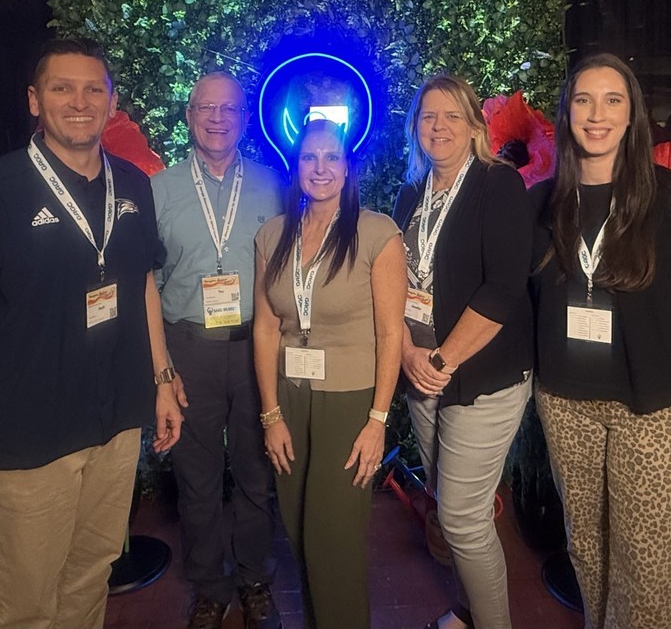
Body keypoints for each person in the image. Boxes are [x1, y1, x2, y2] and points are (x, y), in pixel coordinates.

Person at [0, 37, 182, 629]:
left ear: (113, 103)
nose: (79, 101)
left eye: (94, 89)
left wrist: (162, 379)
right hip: (26, 437)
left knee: (92, 573)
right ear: (34, 101)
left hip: (115, 421)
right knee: (30, 604)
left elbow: (141, 283)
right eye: (62, 88)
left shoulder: (133, 186)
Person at [529, 53, 671, 629]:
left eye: (612, 100)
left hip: (655, 407)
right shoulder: (544, 204)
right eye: (583, 100)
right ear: (567, 112)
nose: (597, 114)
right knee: (587, 552)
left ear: (633, 114)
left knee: (647, 566)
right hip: (565, 404)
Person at [393, 74, 534, 629]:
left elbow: (503, 288)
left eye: (453, 115)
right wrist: (407, 353)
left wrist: (441, 361)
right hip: (420, 371)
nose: (439, 126)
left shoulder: (498, 185)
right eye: (428, 116)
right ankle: (471, 610)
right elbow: (394, 286)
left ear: (475, 125)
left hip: (481, 377)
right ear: (415, 129)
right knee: (446, 507)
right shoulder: (410, 194)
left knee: (463, 519)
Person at [253, 118, 406, 629]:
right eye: (309, 158)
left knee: (332, 540)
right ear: (295, 168)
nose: (320, 168)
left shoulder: (376, 233)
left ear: (347, 167)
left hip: (350, 400)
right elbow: (266, 328)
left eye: (331, 157)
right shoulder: (272, 235)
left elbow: (391, 334)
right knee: (298, 531)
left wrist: (378, 419)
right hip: (289, 398)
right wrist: (270, 413)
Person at [152, 72, 285, 629]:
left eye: (229, 108)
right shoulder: (157, 189)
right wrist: (161, 371)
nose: (217, 117)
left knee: (257, 472)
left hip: (257, 348)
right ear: (188, 115)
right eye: (205, 106)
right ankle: (209, 586)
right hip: (189, 349)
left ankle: (254, 579)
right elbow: (145, 284)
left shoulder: (274, 183)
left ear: (244, 118)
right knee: (197, 476)